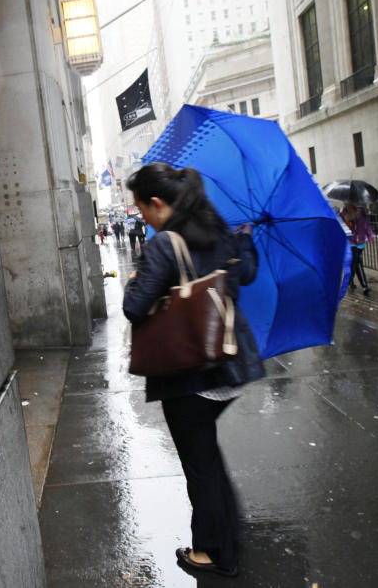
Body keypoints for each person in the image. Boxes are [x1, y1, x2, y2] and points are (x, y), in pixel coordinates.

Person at [123, 164, 266, 577]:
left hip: (189, 372)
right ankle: (226, 537)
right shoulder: (219, 229)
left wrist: (137, 277)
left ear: (157, 202)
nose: (141, 216)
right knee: (209, 459)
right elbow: (246, 275)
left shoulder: (165, 244)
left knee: (201, 466)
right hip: (228, 364)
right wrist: (245, 242)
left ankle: (214, 553)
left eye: (141, 207)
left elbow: (134, 307)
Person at [340, 202, 374, 295]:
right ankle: (365, 286)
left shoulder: (361, 212)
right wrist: (346, 223)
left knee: (354, 263)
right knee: (358, 262)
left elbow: (366, 225)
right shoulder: (343, 214)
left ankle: (350, 280)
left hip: (360, 242)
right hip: (350, 243)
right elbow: (341, 229)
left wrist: (370, 235)